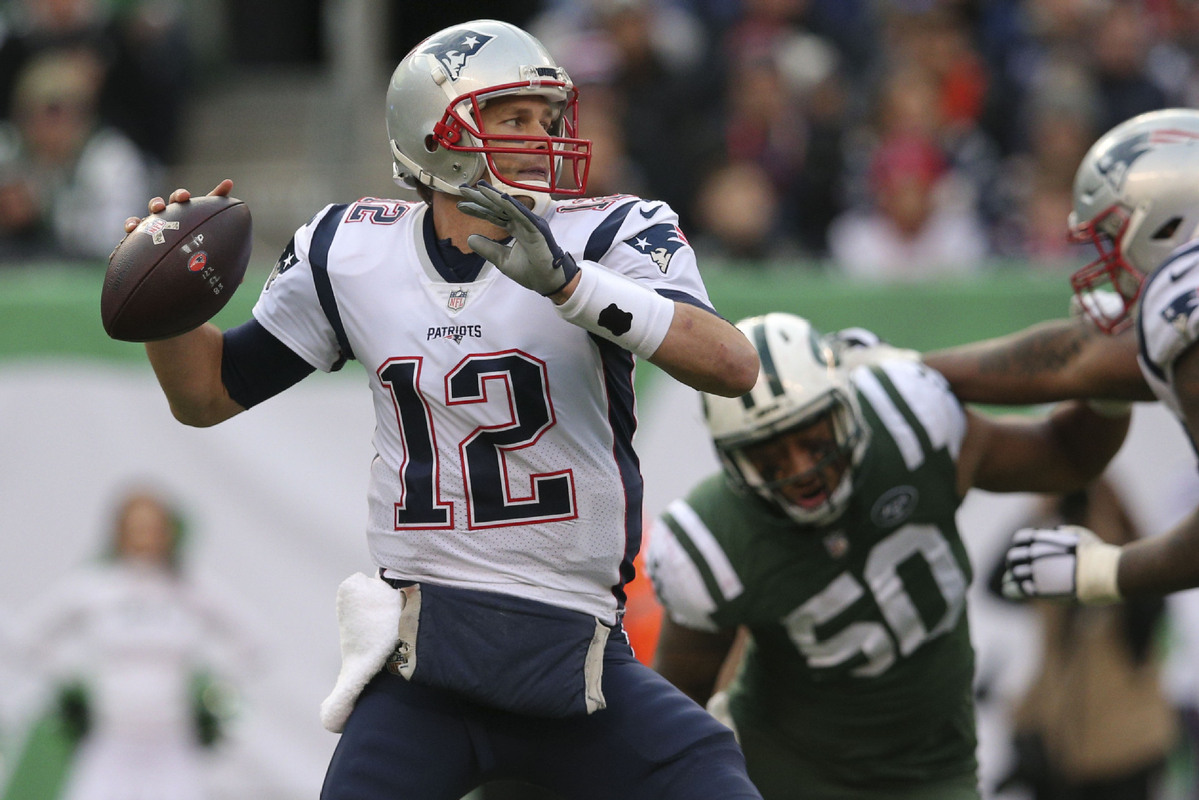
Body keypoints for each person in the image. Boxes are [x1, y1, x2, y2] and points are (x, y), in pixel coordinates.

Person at [119, 18, 762, 800]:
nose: (541, 137)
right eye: (512, 118)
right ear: (435, 133)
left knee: (710, 776)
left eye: (546, 118)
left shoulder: (607, 234)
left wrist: (570, 285)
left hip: (576, 659)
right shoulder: (354, 252)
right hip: (425, 669)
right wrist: (170, 303)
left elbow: (731, 364)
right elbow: (207, 394)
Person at [645, 311, 1129, 800]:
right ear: (732, 459)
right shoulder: (716, 537)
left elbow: (1067, 455)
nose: (800, 469)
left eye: (813, 437)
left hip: (934, 769)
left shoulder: (905, 423)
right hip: (784, 776)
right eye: (768, 455)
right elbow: (677, 704)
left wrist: (1108, 390)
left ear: (847, 405)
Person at [913, 107, 1199, 604]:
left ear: (1169, 223)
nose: (1109, 262)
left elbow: (1084, 360)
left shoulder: (1184, 296)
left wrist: (1100, 570)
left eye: (1112, 238)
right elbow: (1078, 359)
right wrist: (899, 366)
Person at [6, 487, 251, 800]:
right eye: (136, 528)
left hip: (173, 741)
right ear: (119, 531)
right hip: (111, 738)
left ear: (168, 532)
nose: (145, 537)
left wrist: (213, 690)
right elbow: (29, 635)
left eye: (153, 528)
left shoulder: (192, 587)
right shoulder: (96, 585)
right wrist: (71, 680)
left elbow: (253, 643)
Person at [994, 481, 1176, 800]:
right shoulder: (1049, 572)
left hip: (1126, 749)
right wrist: (1036, 521)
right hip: (1060, 749)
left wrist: (1112, 549)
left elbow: (1150, 613)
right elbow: (995, 585)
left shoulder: (1131, 566)